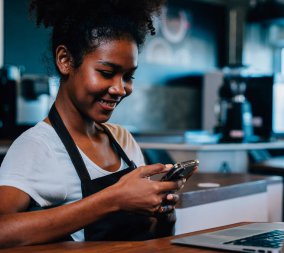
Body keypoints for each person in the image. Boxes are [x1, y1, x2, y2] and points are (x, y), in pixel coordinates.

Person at [0, 0, 187, 248]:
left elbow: (150, 237)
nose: (121, 89)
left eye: (128, 76)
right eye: (107, 72)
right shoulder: (37, 146)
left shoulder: (122, 139)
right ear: (65, 60)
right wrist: (113, 199)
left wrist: (163, 213)